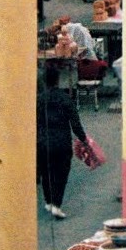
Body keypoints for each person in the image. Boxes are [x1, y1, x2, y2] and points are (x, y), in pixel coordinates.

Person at [37, 68, 88, 219]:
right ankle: (57, 204)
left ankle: (48, 201)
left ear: (43, 82)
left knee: (46, 172)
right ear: (58, 80)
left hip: (42, 142)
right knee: (61, 173)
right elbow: (75, 123)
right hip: (61, 143)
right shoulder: (65, 99)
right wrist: (84, 140)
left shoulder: (38, 100)